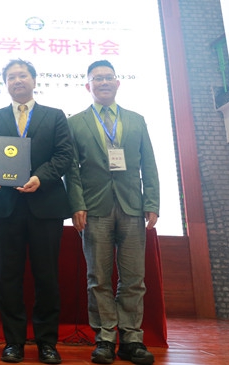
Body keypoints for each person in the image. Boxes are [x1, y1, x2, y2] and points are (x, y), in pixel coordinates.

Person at [0, 59, 74, 365]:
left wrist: (40, 178)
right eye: (11, 77)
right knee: (9, 277)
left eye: (22, 75)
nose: (17, 81)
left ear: (33, 79)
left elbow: (65, 155)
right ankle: (13, 342)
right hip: (6, 207)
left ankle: (47, 343)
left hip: (46, 206)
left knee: (47, 277)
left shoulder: (55, 116)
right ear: (6, 83)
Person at [66, 60, 159, 365]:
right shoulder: (75, 122)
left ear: (118, 83)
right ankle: (105, 337)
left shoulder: (136, 120)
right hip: (94, 208)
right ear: (88, 86)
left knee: (134, 278)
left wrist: (152, 202)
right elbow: (72, 170)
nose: (103, 82)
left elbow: (149, 164)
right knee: (98, 277)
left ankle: (131, 338)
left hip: (132, 206)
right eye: (97, 79)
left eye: (108, 77)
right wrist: (77, 204)